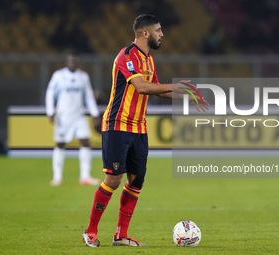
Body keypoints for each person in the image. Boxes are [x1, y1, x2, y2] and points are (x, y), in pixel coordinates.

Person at [82, 14, 209, 247]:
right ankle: (90, 231)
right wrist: (178, 86)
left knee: (136, 180)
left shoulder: (149, 60)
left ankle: (121, 235)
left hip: (139, 127)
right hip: (117, 124)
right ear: (145, 33)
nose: (162, 34)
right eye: (159, 30)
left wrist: (186, 96)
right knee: (113, 179)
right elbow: (141, 87)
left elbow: (157, 90)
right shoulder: (127, 55)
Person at [45, 53, 102, 186]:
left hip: (78, 116)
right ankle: (57, 177)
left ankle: (85, 177)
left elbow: (88, 96)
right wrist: (50, 112)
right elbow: (50, 93)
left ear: (77, 62)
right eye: (70, 61)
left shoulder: (83, 77)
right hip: (63, 116)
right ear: (66, 62)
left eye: (74, 61)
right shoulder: (58, 76)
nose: (72, 63)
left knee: (86, 142)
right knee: (60, 144)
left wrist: (94, 114)